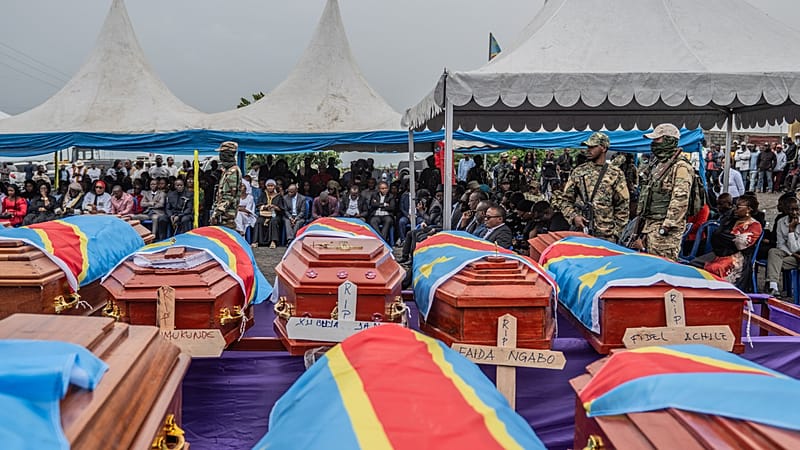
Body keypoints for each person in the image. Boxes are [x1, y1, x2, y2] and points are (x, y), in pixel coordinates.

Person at [636, 124, 693, 260]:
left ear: (669, 140)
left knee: (663, 266)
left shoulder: (681, 167)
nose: (653, 143)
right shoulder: (658, 165)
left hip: (665, 230)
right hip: (650, 224)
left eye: (657, 140)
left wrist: (666, 227)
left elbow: (680, 199)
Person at [560, 132, 629, 242]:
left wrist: (616, 234)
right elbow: (565, 200)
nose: (588, 150)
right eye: (588, 147)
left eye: (592, 147)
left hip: (606, 236)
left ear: (603, 148)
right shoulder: (579, 172)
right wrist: (574, 217)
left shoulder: (615, 174)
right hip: (582, 233)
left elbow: (623, 206)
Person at [704, 196, 762, 286]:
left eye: (738, 207)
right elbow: (716, 236)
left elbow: (740, 244)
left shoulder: (754, 225)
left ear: (749, 209)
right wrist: (727, 222)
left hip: (738, 257)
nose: (735, 209)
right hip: (721, 253)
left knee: (715, 268)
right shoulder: (731, 220)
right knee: (694, 264)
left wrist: (726, 238)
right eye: (735, 206)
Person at [766, 197, 800, 297]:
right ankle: (774, 287)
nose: (794, 213)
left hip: (798, 257)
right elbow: (780, 244)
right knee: (773, 251)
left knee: (773, 263)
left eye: (797, 209)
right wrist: (793, 254)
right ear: (786, 210)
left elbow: (796, 248)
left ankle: (771, 285)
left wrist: (791, 230)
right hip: (792, 255)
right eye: (791, 210)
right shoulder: (781, 222)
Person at [210, 142, 242, 230]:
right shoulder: (227, 170)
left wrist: (217, 213)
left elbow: (228, 196)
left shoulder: (233, 171)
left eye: (222, 153)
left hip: (226, 215)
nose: (220, 156)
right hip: (222, 214)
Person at [254, 179, 283, 248]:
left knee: (273, 221)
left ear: (274, 187)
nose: (270, 187)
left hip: (275, 215)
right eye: (268, 186)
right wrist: (265, 206)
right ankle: (256, 241)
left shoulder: (278, 196)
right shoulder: (263, 195)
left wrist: (274, 207)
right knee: (259, 221)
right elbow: (258, 206)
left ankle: (273, 241)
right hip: (264, 214)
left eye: (271, 186)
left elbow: (281, 209)